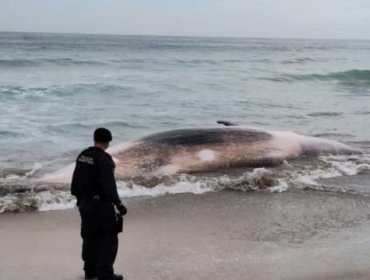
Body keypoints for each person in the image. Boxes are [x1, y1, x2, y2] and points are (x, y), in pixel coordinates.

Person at [71, 128, 127, 280]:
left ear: (94, 139)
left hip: (85, 204)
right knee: (109, 238)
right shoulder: (105, 159)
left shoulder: (83, 155)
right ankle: (105, 273)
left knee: (89, 236)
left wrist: (79, 200)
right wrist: (119, 204)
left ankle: (90, 271)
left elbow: (75, 181)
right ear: (108, 141)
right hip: (101, 206)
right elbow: (108, 185)